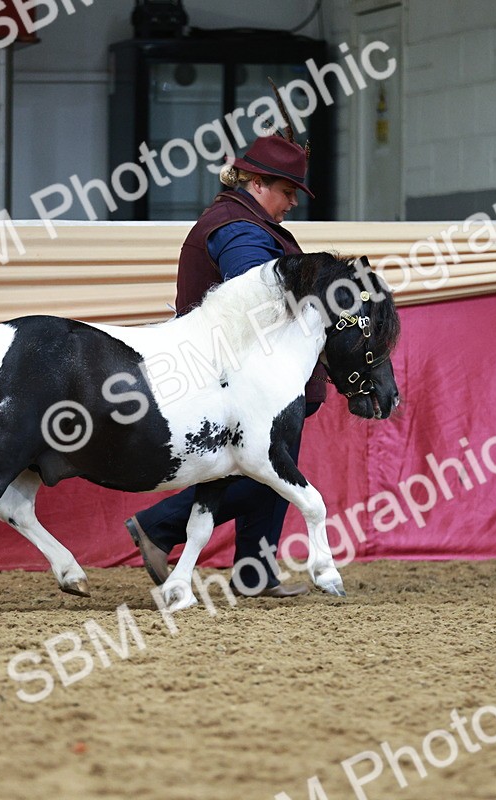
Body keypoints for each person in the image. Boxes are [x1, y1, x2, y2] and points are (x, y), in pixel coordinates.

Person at [125, 133, 327, 599]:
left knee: (268, 469)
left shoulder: (242, 221)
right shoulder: (239, 229)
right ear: (257, 184)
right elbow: (259, 297)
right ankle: (159, 525)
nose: (292, 203)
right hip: (237, 376)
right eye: (287, 191)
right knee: (270, 470)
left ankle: (254, 573)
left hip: (241, 373)